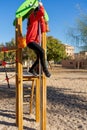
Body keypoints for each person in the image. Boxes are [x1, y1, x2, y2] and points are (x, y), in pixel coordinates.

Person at [26, 2, 51, 77]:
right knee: (42, 51)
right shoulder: (32, 17)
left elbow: (43, 30)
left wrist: (42, 20)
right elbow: (41, 12)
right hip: (30, 41)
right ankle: (45, 70)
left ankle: (31, 69)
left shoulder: (35, 20)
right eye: (36, 12)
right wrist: (41, 5)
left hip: (33, 41)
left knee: (40, 57)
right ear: (35, 12)